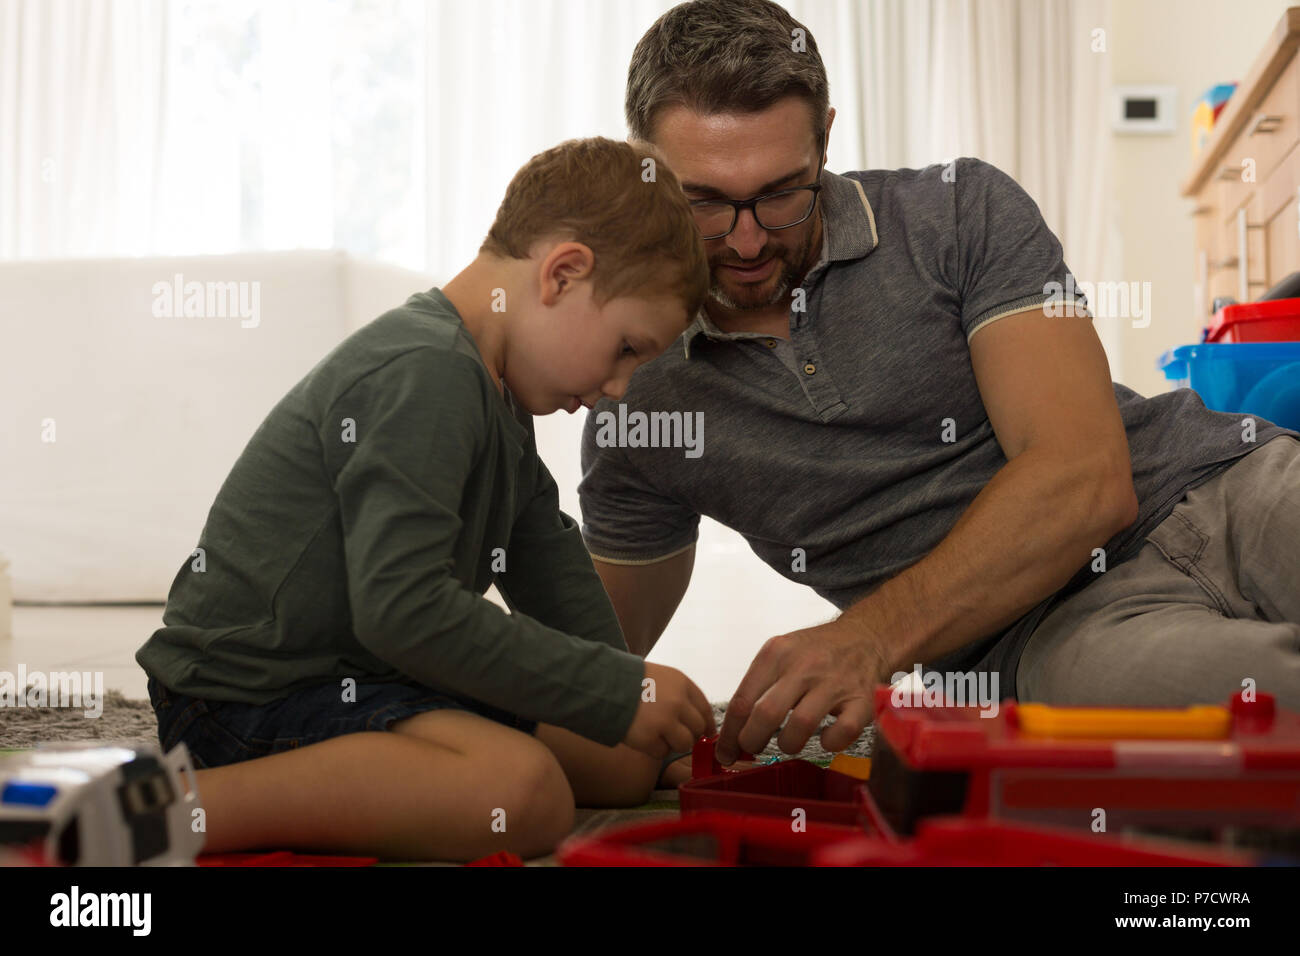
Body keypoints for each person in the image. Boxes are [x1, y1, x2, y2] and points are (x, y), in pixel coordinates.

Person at [581, 0, 1300, 781]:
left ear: (825, 137)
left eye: (783, 193)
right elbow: (588, 671)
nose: (748, 241)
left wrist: (868, 638)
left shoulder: (960, 211)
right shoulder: (634, 391)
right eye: (705, 203)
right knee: (1232, 725)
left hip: (1223, 486)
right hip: (1053, 640)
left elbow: (1085, 481)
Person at [136, 137, 717, 863]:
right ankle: (169, 811)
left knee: (623, 758)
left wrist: (628, 696)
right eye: (627, 349)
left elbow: (545, 555)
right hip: (245, 697)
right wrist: (611, 686)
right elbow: (401, 607)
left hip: (363, 676)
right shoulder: (428, 371)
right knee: (521, 794)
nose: (620, 387)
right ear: (563, 274)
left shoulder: (498, 390)